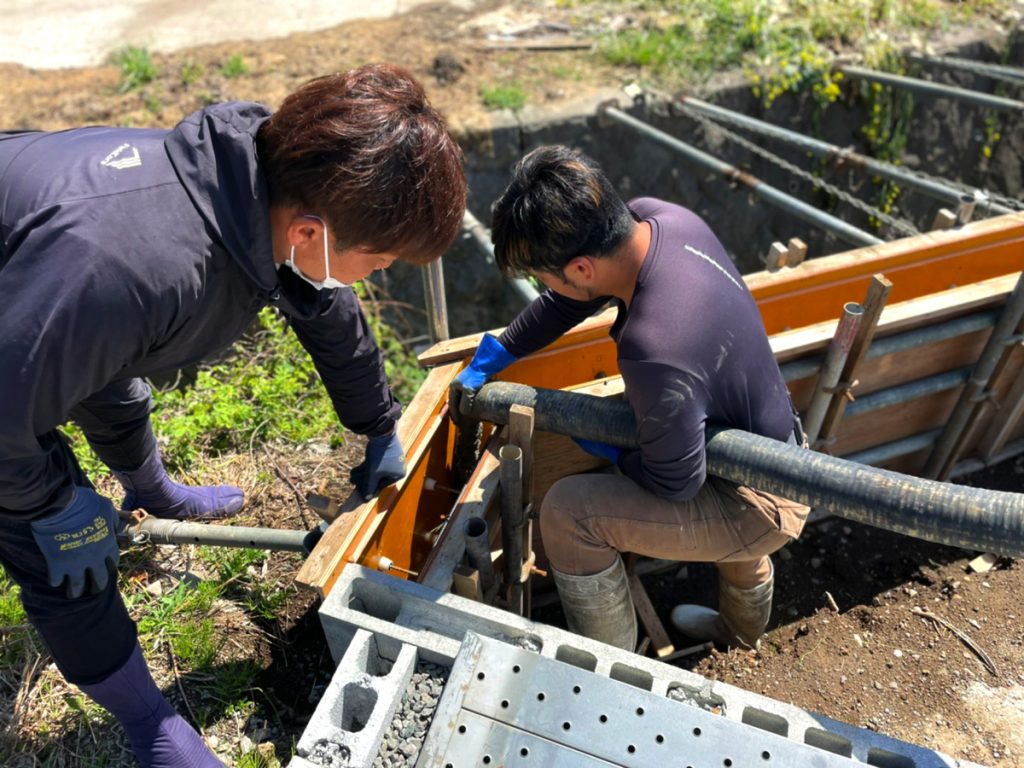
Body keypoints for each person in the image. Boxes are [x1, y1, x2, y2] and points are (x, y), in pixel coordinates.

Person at [0, 64, 466, 767]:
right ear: (311, 231)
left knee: (110, 379)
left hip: (47, 292)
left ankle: (150, 489)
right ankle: (148, 721)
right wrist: (53, 506)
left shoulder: (255, 185)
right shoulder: (133, 269)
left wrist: (378, 425)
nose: (379, 274)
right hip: (42, 305)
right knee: (55, 547)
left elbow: (327, 309)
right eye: (383, 258)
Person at [451, 145, 807, 652]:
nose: (544, 287)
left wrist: (616, 448)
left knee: (569, 513)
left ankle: (620, 671)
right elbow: (565, 301)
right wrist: (501, 349)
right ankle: (737, 632)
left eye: (543, 276)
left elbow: (676, 482)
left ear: (580, 269)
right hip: (778, 446)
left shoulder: (654, 347)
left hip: (758, 504)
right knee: (666, 448)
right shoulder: (660, 221)